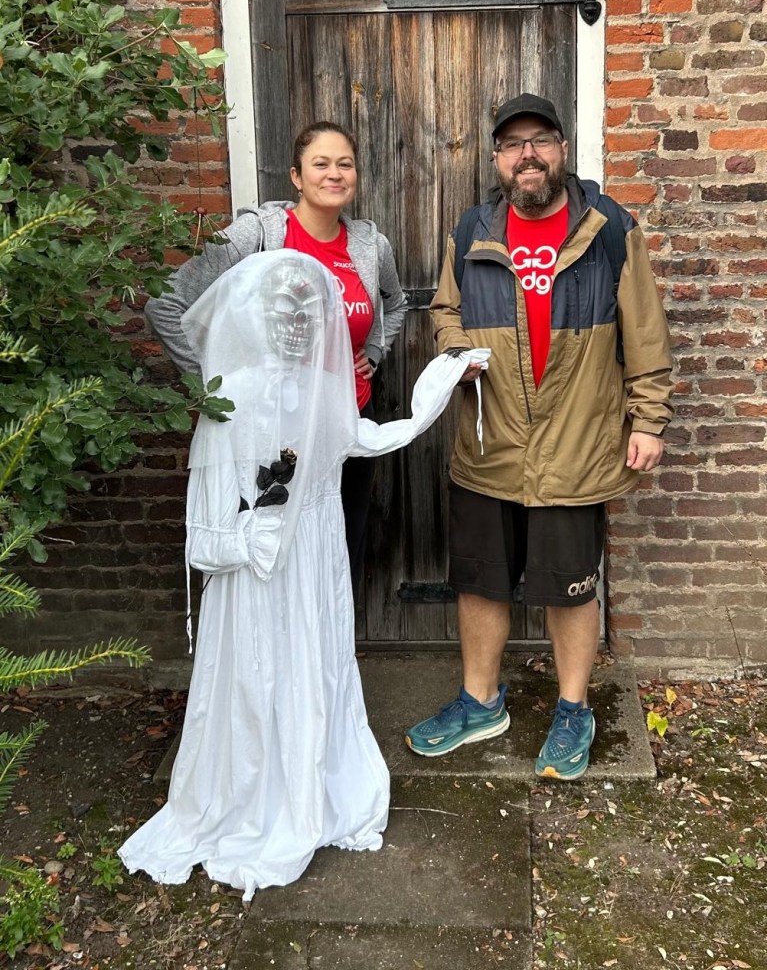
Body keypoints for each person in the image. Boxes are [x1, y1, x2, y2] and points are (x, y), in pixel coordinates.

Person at [118, 249, 489, 896]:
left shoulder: (324, 391)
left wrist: (441, 379)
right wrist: (248, 540)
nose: (295, 323)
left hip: (314, 558)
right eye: (282, 310)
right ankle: (255, 794)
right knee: (258, 669)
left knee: (313, 661)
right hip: (259, 573)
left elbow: (367, 438)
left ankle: (312, 783)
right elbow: (205, 527)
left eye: (308, 310)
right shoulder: (229, 397)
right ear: (256, 316)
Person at [404, 93, 674, 780]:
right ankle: (479, 700)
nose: (527, 154)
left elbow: (643, 330)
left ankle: (573, 707)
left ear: (560, 150)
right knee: (480, 583)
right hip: (489, 446)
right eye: (512, 143)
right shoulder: (469, 231)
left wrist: (647, 418)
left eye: (540, 140)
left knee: (569, 588)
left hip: (577, 445)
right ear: (497, 159)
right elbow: (445, 308)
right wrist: (457, 350)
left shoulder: (607, 227)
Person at [144, 121, 407, 594]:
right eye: (321, 164)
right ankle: (272, 663)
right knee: (271, 554)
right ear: (296, 176)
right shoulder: (259, 235)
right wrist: (214, 391)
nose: (334, 174)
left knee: (340, 545)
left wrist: (373, 350)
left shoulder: (370, 246)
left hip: (346, 421)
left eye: (344, 164)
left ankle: (326, 659)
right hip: (271, 428)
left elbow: (397, 302)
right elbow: (166, 303)